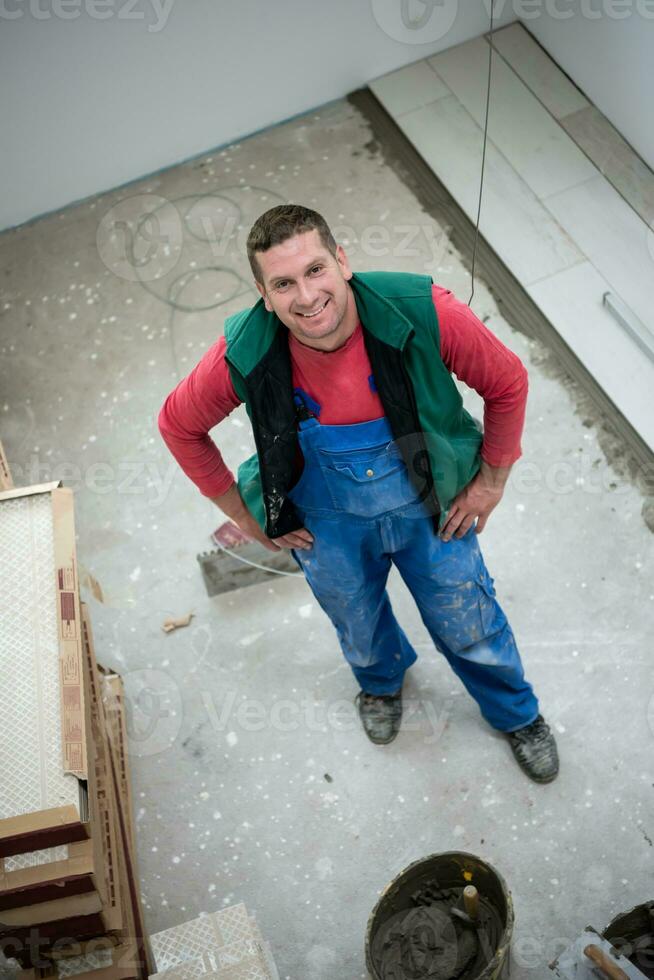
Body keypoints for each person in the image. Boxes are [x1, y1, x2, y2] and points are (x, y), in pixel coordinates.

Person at [158, 204, 559, 783]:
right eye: (284, 283)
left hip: (432, 504)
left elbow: (507, 382)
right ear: (264, 294)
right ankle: (380, 685)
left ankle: (516, 713)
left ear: (342, 261)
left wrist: (492, 480)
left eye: (316, 269)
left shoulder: (422, 311)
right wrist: (242, 514)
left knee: (466, 615)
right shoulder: (245, 350)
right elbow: (178, 425)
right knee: (356, 618)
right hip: (325, 521)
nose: (306, 296)